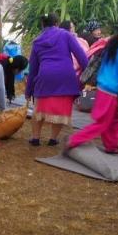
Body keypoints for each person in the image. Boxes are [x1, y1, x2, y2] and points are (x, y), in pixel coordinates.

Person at [66, 20, 118, 154]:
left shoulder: (112, 44)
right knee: (102, 124)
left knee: (117, 118)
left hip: (104, 87)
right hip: (110, 91)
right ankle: (74, 140)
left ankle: (112, 146)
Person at [25, 12, 89, 147]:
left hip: (45, 76)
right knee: (61, 109)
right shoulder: (66, 35)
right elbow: (81, 56)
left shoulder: (37, 41)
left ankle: (35, 138)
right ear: (57, 23)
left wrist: (28, 91)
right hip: (66, 76)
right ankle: (53, 139)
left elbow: (33, 69)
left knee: (39, 109)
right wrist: (87, 75)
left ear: (42, 24)